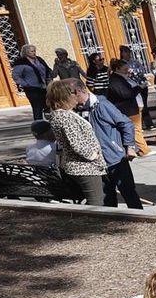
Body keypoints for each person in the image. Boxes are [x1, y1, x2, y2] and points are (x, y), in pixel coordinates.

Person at [80, 77, 141, 209]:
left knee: (128, 192)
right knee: (107, 196)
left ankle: (139, 218)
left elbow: (126, 123)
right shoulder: (81, 109)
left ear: (78, 92)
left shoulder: (102, 105)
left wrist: (129, 146)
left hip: (115, 157)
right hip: (99, 160)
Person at [43, 78, 107, 204]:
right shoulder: (64, 116)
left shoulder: (63, 114)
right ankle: (92, 223)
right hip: (84, 167)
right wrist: (93, 155)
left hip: (82, 165)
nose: (75, 95)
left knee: (96, 199)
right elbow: (76, 143)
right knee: (96, 202)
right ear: (64, 97)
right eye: (72, 93)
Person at [11, 44, 53, 121]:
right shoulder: (21, 62)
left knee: (48, 106)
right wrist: (26, 84)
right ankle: (39, 127)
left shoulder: (39, 59)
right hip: (32, 89)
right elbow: (15, 76)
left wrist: (49, 77)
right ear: (26, 52)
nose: (34, 53)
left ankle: (52, 125)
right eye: (32, 51)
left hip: (44, 87)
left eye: (34, 51)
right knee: (37, 108)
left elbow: (47, 69)